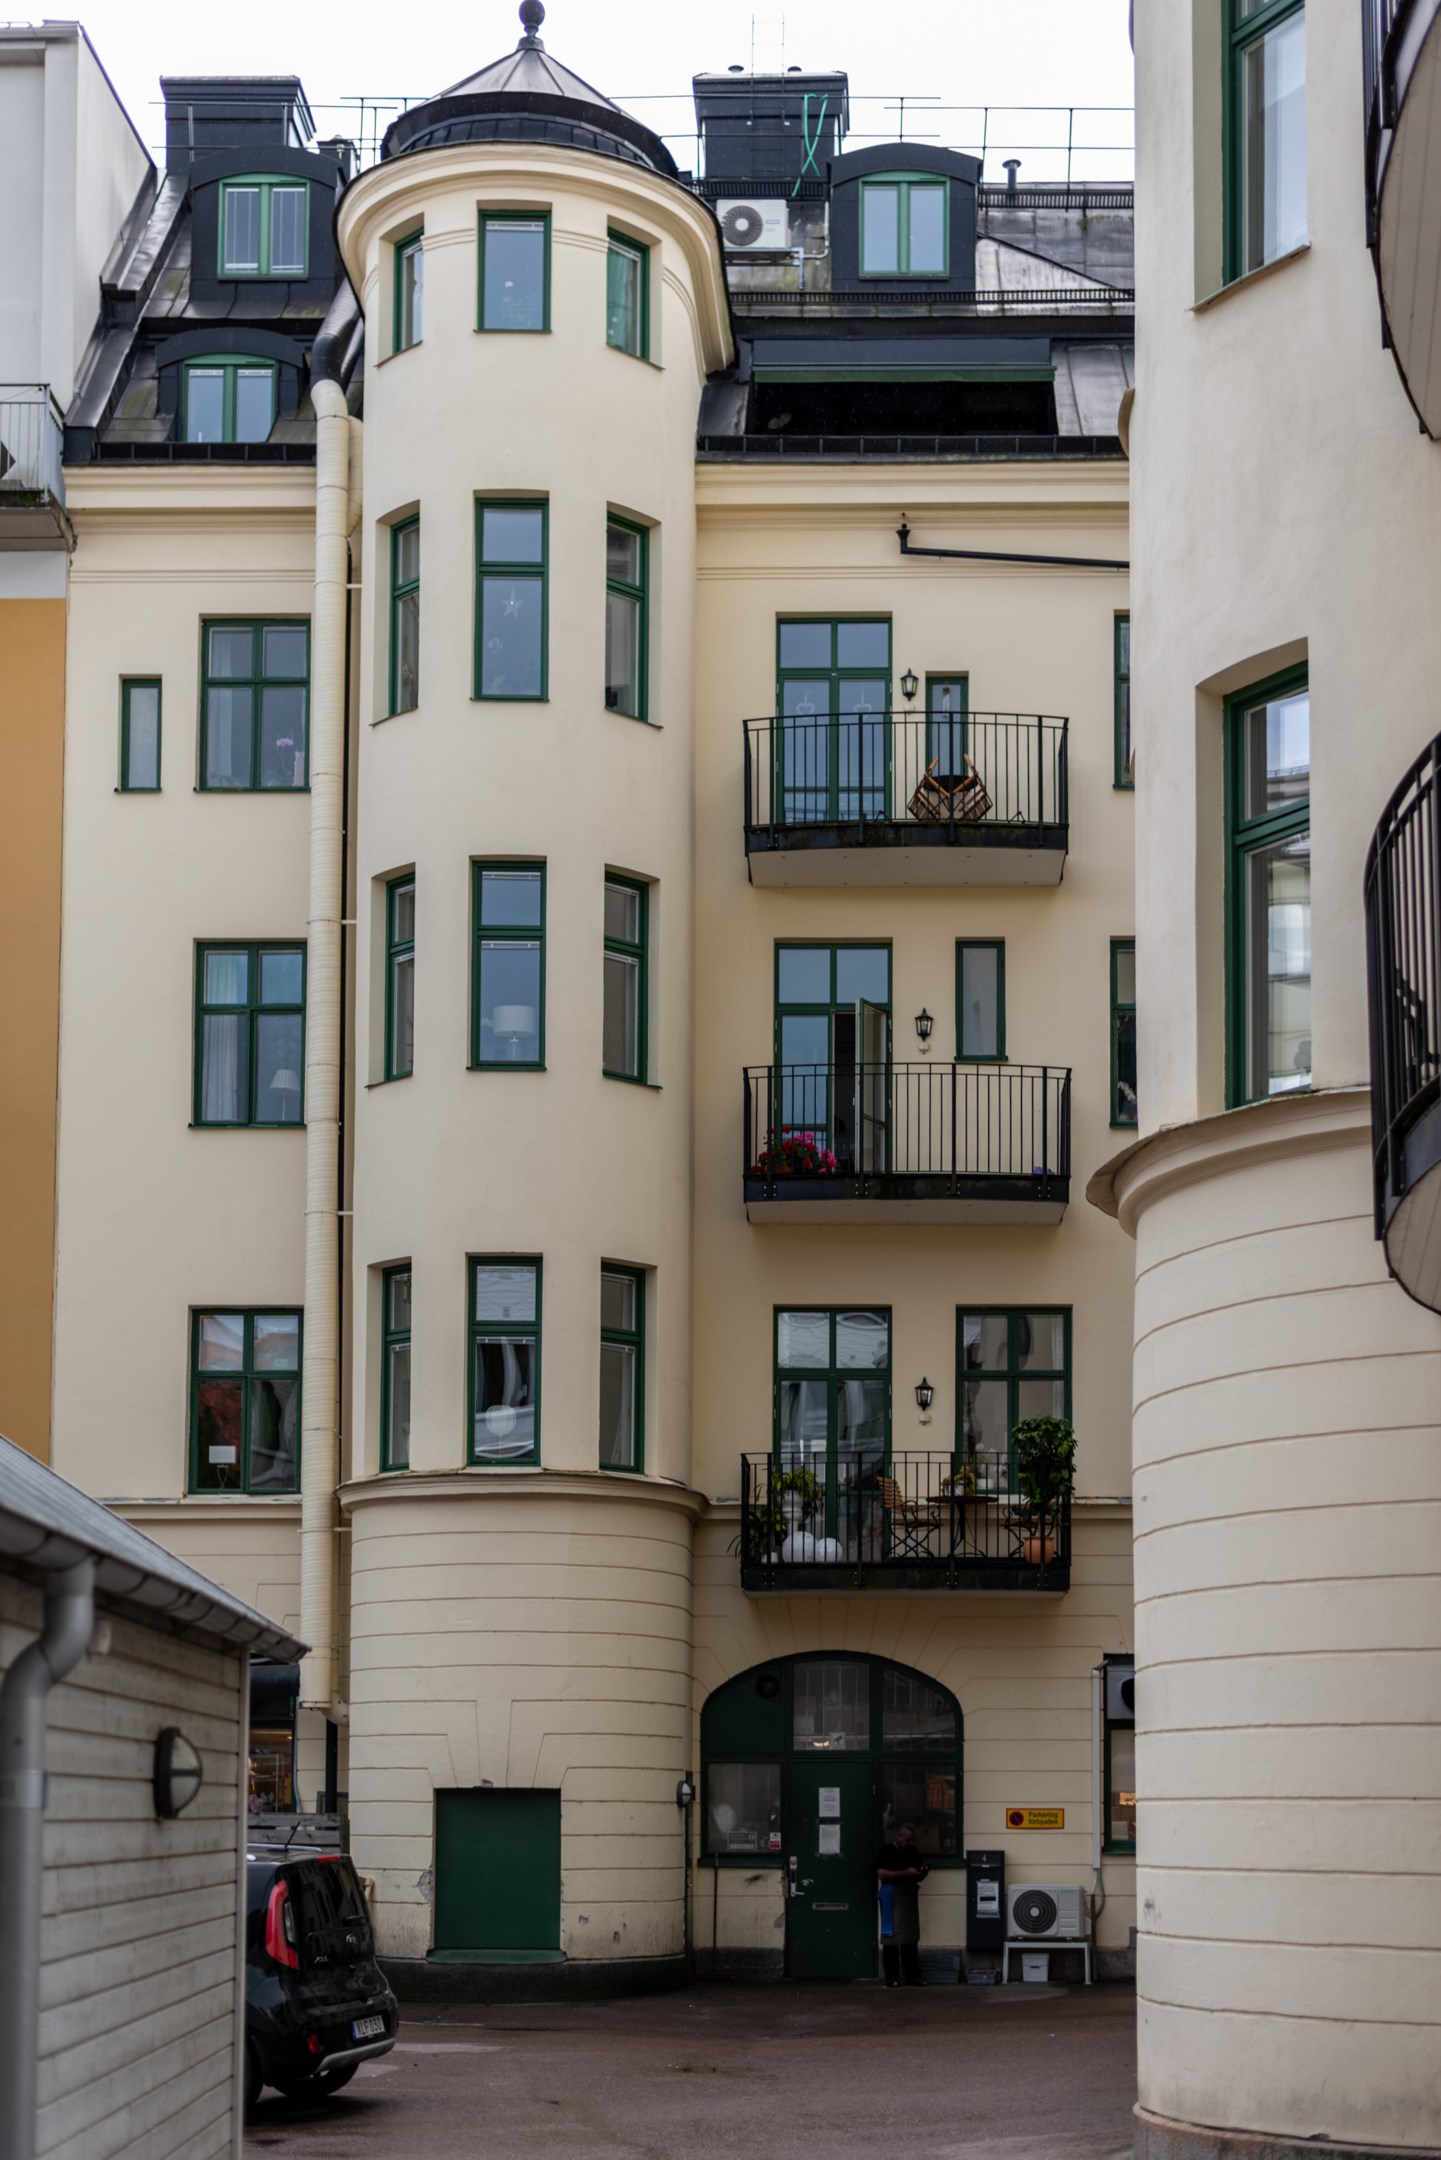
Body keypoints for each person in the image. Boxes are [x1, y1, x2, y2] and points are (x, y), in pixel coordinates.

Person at [876, 1822, 929, 1986]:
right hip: (892, 1894)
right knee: (891, 1935)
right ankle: (892, 1976)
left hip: (908, 1894)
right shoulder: (887, 1851)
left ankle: (912, 1975)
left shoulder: (912, 1851)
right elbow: (881, 1873)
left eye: (913, 1840)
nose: (911, 1843)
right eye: (909, 1840)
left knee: (911, 1937)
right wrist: (905, 1873)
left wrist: (921, 1874)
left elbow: (917, 1872)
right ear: (899, 1837)